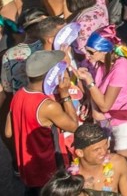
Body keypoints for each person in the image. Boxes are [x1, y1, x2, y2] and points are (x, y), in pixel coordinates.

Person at [76, 32, 127, 196]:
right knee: (124, 175)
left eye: (91, 52)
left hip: (126, 127)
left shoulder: (121, 68)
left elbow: (104, 104)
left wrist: (89, 82)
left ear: (105, 51)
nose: (88, 55)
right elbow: (96, 98)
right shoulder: (102, 64)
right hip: (112, 124)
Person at [8, 49, 80, 193]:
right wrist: (65, 95)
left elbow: (8, 132)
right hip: (47, 172)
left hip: (28, 171)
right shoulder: (48, 105)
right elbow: (74, 126)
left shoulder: (19, 95)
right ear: (51, 75)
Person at [67, 122, 127, 196]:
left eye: (105, 144)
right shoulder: (70, 178)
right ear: (80, 153)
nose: (104, 152)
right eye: (97, 149)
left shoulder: (118, 163)